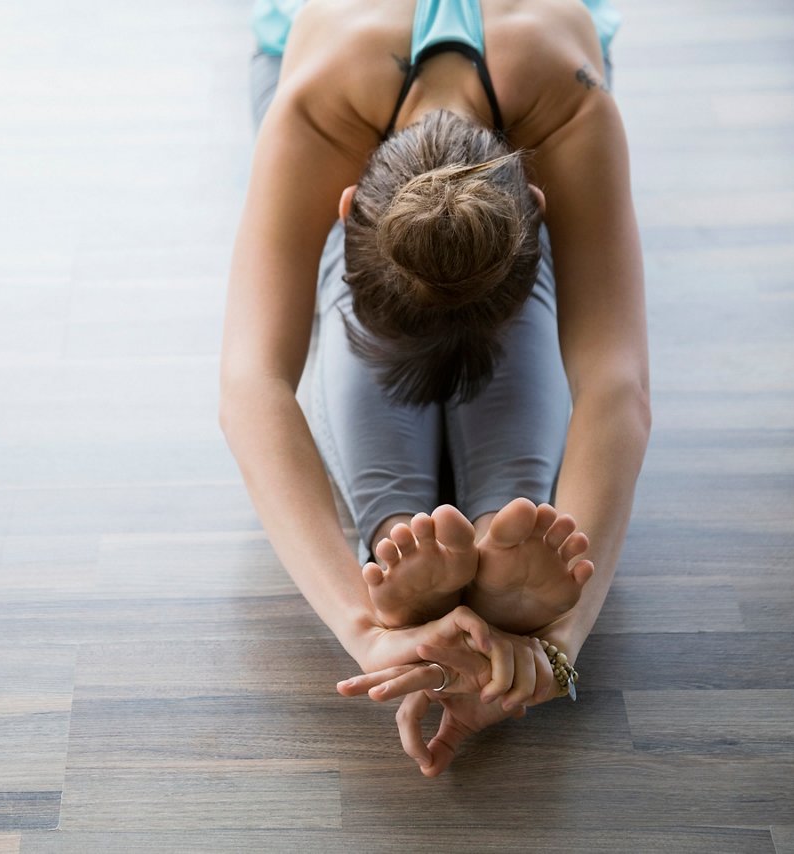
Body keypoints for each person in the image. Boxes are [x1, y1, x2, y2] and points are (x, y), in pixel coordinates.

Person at [219, 0, 650, 776]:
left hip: (528, 104)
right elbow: (253, 385)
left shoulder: (571, 98)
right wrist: (369, 631)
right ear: (344, 203)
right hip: (344, 95)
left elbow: (615, 382)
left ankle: (430, 536)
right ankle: (462, 532)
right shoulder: (317, 101)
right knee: (403, 273)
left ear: (541, 203)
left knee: (477, 264)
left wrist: (560, 645)